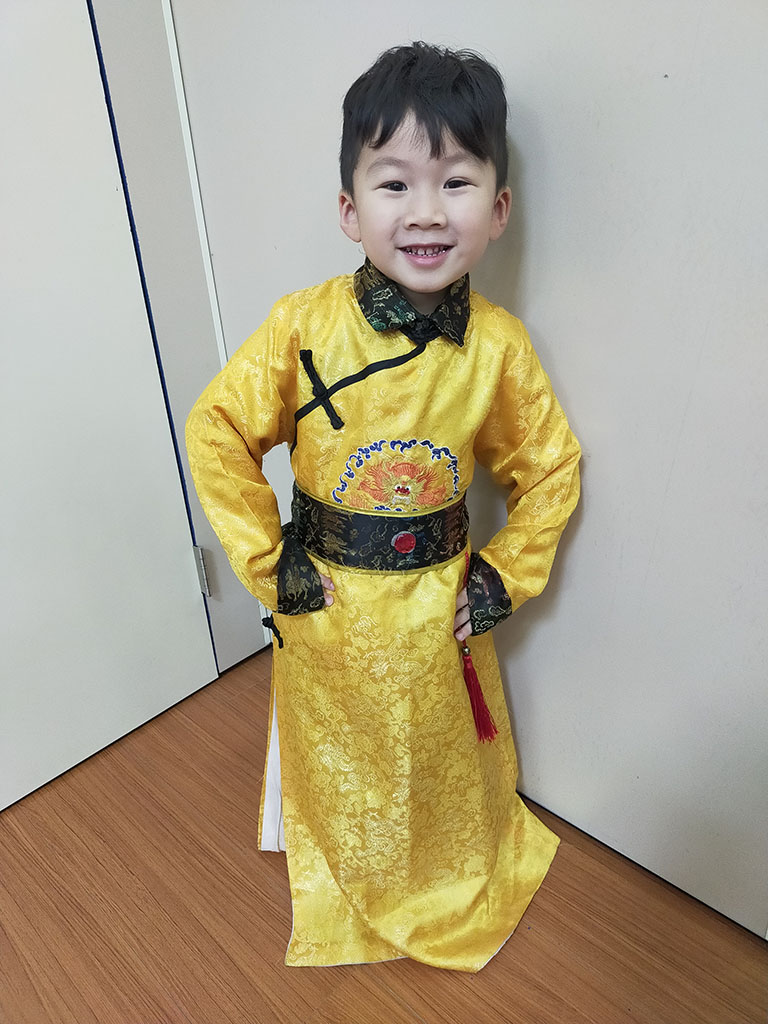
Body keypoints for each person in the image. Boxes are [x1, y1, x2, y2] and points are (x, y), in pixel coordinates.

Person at [185, 41, 581, 972]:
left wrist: (503, 576)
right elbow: (217, 429)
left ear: (499, 208)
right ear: (349, 208)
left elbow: (551, 467)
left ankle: (445, 872)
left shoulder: (500, 347)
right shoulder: (301, 324)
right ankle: (343, 870)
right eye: (394, 184)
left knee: (438, 754)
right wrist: (269, 560)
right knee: (343, 751)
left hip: (441, 603)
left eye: (457, 182)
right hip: (329, 600)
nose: (427, 212)